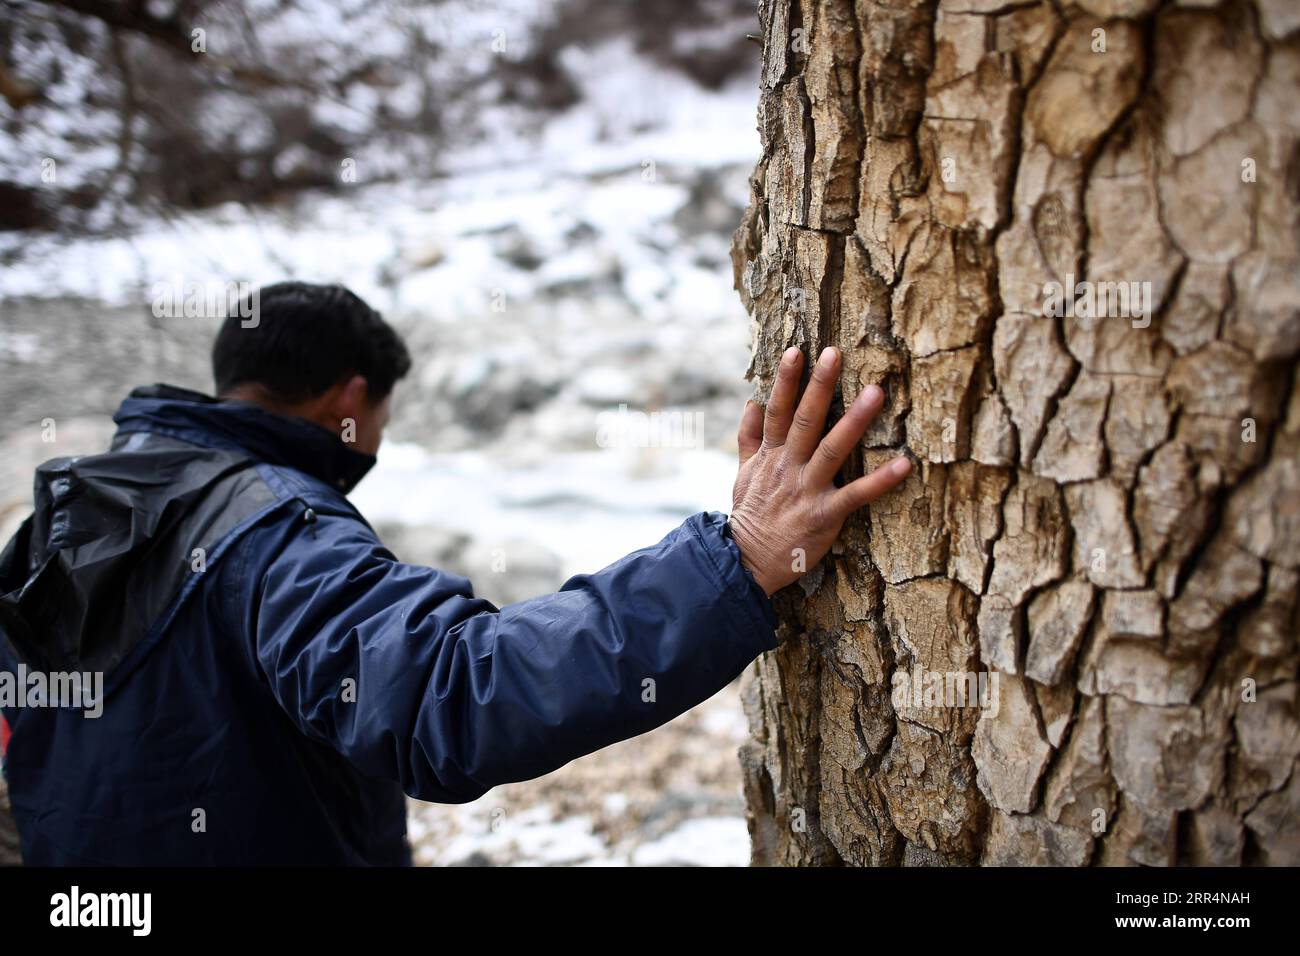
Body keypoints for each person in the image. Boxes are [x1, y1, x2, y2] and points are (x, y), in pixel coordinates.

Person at [0, 281, 910, 864]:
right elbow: (450, 697)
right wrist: (738, 557)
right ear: (355, 397)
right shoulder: (271, 529)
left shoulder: (71, 512)